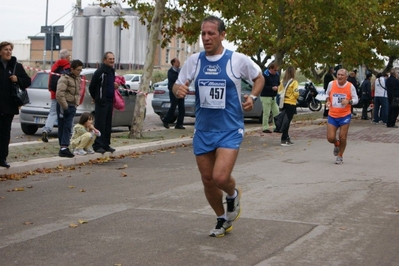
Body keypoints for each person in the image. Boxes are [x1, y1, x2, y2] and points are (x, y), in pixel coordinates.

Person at [172, 16, 264, 237]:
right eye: (203, 33)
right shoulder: (194, 61)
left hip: (230, 128)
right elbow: (178, 85)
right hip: (203, 129)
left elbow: (259, 77)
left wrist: (252, 95)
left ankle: (232, 194)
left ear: (223, 35)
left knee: (220, 177)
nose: (206, 38)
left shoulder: (237, 60)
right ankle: (222, 219)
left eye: (211, 33)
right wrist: (179, 91)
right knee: (207, 179)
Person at [0, 41, 31, 168]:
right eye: (6, 49)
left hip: (8, 106)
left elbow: (27, 81)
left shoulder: (16, 66)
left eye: (10, 50)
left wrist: (17, 79)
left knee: (5, 133)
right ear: (0, 51)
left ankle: (2, 158)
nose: (8, 52)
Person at [325, 68, 358, 165]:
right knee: (330, 138)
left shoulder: (350, 86)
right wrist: (327, 101)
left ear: (346, 77)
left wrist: (349, 101)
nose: (339, 76)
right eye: (338, 74)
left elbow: (356, 99)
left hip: (344, 115)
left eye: (342, 75)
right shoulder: (331, 84)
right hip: (332, 115)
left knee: (342, 137)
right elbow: (327, 94)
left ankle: (340, 156)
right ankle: (336, 143)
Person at [89, 51, 118, 154]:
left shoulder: (111, 71)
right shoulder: (100, 72)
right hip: (102, 101)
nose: (112, 61)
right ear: (104, 60)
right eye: (110, 59)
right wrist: (96, 97)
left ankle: (106, 144)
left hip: (110, 101)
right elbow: (92, 86)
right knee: (100, 124)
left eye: (113, 59)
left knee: (107, 124)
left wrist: (115, 85)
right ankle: (98, 145)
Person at [41, 49, 71, 142]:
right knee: (66, 113)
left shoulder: (55, 65)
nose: (70, 57)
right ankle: (66, 133)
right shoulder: (68, 66)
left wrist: (51, 90)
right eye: (69, 56)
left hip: (54, 93)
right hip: (64, 94)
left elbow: (50, 78)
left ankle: (47, 129)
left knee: (53, 113)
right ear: (67, 57)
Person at [56, 59, 84, 158]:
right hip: (64, 105)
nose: (79, 72)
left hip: (72, 105)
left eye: (81, 70)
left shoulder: (77, 78)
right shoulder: (64, 78)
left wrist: (76, 104)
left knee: (68, 126)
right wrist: (65, 106)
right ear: (72, 69)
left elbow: (78, 92)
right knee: (64, 126)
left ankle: (64, 146)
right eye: (78, 70)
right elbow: (59, 94)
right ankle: (63, 147)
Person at [277, 66, 299, 146]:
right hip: (291, 103)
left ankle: (286, 137)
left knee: (285, 120)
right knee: (287, 121)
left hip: (283, 103)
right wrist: (296, 97)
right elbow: (296, 93)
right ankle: (284, 139)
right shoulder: (294, 82)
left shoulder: (282, 81)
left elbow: (279, 91)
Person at [161, 58, 185, 129]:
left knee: (182, 108)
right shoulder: (171, 71)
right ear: (173, 63)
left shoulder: (180, 71)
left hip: (180, 90)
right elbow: (174, 79)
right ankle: (166, 120)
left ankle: (179, 124)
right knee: (173, 107)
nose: (179, 63)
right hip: (173, 91)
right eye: (177, 62)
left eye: (179, 61)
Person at [260, 62, 280, 133]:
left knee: (276, 112)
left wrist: (278, 88)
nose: (276, 72)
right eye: (274, 70)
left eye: (276, 70)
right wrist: (271, 88)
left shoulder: (277, 75)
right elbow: (262, 86)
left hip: (273, 96)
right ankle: (265, 127)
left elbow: (278, 83)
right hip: (266, 96)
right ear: (270, 69)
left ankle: (276, 127)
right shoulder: (264, 75)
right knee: (266, 113)